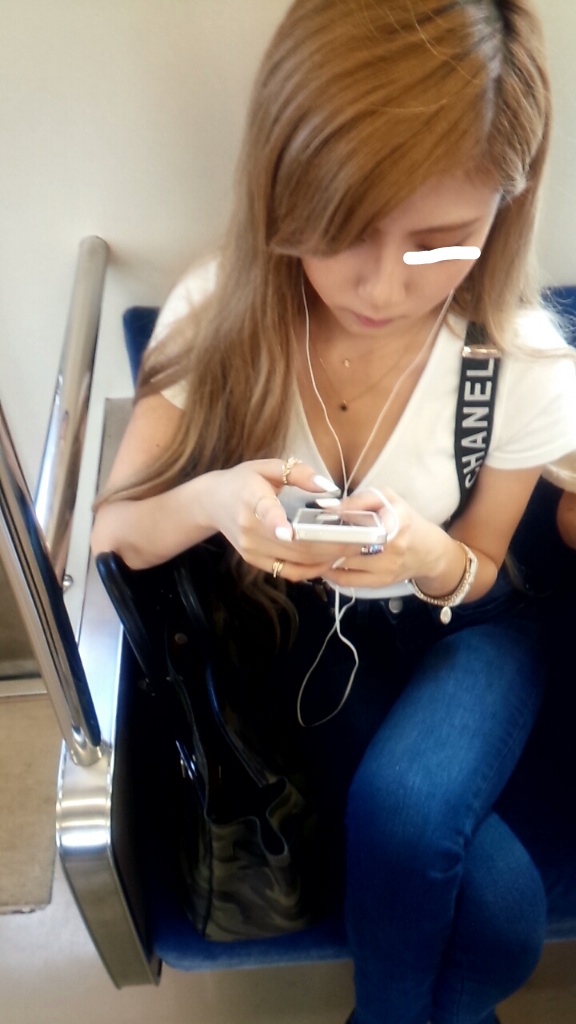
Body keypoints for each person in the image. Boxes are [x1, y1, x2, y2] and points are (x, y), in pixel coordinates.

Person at [92, 2, 576, 1022]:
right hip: (309, 631)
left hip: (470, 625)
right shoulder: (224, 314)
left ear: (504, 209)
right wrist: (217, 501)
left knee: (413, 815)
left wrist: (430, 555)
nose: (383, 286)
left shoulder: (516, 355)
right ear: (284, 182)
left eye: (440, 244)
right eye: (347, 228)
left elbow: (488, 571)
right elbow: (116, 532)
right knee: (499, 915)